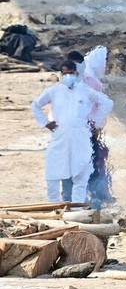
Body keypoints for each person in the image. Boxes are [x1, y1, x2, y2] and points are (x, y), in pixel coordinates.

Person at [31, 61, 113, 204]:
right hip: (60, 135)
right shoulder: (54, 90)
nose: (68, 76)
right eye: (65, 73)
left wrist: (94, 121)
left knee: (80, 172)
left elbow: (107, 103)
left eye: (71, 72)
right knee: (53, 171)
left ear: (76, 73)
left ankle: (77, 207)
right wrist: (46, 123)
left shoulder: (85, 90)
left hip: (81, 135)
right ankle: (54, 205)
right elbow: (36, 105)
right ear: (61, 75)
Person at [66, 48, 112, 206]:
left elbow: (103, 104)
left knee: (93, 165)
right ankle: (72, 201)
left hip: (88, 132)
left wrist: (95, 123)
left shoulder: (91, 83)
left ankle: (98, 198)